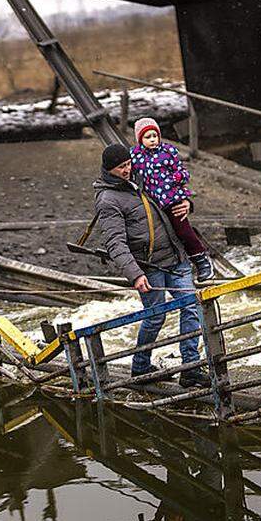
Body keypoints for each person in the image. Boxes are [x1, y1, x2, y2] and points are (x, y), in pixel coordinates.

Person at [93, 143, 212, 388]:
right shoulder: (108, 200)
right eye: (120, 168)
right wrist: (135, 274)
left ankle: (191, 368)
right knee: (156, 317)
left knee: (191, 308)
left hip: (176, 258)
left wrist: (188, 203)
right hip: (148, 266)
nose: (126, 170)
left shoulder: (143, 178)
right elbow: (115, 243)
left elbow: (172, 194)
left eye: (127, 164)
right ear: (108, 170)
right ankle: (140, 367)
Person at [131, 117, 214, 283]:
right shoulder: (135, 156)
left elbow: (183, 172)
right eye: (148, 137)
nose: (153, 140)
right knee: (162, 234)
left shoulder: (168, 151)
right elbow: (129, 173)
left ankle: (202, 260)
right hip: (152, 202)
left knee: (183, 230)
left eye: (155, 136)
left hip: (171, 198)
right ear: (140, 139)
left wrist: (175, 178)